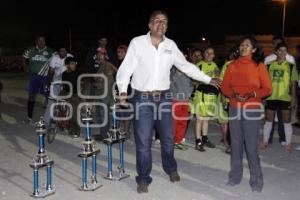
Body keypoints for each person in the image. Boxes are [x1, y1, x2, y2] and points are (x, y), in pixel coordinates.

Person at [116, 10, 221, 193]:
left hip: (164, 98)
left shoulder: (171, 45)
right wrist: (123, 91)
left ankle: (171, 168)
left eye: (164, 22)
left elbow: (186, 66)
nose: (160, 24)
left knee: (168, 138)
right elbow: (125, 69)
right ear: (149, 25)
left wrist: (207, 79)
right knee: (143, 142)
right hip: (142, 98)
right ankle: (143, 178)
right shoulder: (137, 43)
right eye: (157, 21)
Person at [221, 36, 272, 192]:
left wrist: (252, 94)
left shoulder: (259, 66)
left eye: (247, 45)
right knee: (235, 144)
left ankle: (256, 181)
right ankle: (235, 177)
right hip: (235, 107)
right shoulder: (232, 66)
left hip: (252, 109)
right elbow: (225, 87)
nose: (243, 47)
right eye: (242, 45)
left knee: (251, 147)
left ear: (254, 49)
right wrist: (233, 95)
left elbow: (268, 89)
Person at [261, 43, 298, 153]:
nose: (282, 52)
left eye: (285, 50)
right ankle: (265, 141)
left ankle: (288, 143)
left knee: (286, 121)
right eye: (280, 50)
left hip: (285, 97)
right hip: (271, 97)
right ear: (276, 52)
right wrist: (263, 96)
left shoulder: (290, 66)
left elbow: (293, 84)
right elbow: (265, 82)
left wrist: (293, 99)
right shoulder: (269, 65)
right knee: (268, 121)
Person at [191, 47, 219, 152]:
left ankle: (205, 138)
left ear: (214, 55)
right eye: (207, 53)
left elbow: (217, 79)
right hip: (201, 95)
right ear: (204, 54)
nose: (209, 55)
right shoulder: (199, 65)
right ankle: (198, 141)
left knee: (206, 119)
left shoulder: (215, 66)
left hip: (210, 97)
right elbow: (193, 81)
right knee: (199, 119)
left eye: (211, 53)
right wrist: (205, 78)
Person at [23, 36, 53, 124]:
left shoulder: (50, 51)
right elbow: (24, 57)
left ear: (45, 42)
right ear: (36, 41)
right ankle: (29, 118)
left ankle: (49, 118)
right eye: (39, 40)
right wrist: (25, 66)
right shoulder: (30, 50)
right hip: (33, 76)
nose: (41, 42)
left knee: (48, 95)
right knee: (31, 96)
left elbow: (56, 60)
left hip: (44, 77)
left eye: (43, 41)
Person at [43, 47, 73, 129]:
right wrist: (48, 84)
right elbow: (51, 72)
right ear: (58, 52)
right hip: (56, 79)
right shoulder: (54, 58)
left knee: (66, 103)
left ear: (67, 52)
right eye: (61, 51)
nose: (63, 52)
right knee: (51, 102)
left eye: (64, 51)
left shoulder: (70, 57)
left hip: (67, 79)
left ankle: (65, 123)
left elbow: (73, 71)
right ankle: (46, 123)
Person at [218, 46, 239, 154]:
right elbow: (222, 82)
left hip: (243, 98)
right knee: (232, 123)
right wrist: (222, 96)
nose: (236, 55)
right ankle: (231, 145)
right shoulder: (228, 65)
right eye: (234, 53)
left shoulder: (247, 64)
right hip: (230, 98)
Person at [93, 47, 117, 141]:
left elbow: (108, 80)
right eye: (98, 54)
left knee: (104, 115)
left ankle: (104, 135)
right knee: (100, 115)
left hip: (105, 94)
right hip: (101, 93)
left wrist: (97, 83)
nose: (99, 56)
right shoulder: (102, 65)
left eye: (101, 54)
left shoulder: (107, 65)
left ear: (105, 55)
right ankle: (102, 133)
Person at [170, 67, 193, 151]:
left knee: (183, 122)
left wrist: (188, 95)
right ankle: (171, 141)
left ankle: (178, 141)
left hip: (185, 101)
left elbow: (191, 86)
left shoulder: (186, 75)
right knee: (174, 122)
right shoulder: (171, 76)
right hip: (176, 101)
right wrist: (180, 97)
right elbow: (171, 89)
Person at [61, 57, 81, 137]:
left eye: (75, 63)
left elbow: (81, 84)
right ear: (67, 65)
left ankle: (76, 131)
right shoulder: (64, 74)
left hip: (75, 95)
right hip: (66, 93)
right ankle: (62, 125)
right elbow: (64, 85)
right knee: (58, 106)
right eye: (72, 64)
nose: (74, 65)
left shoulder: (77, 73)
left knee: (74, 114)